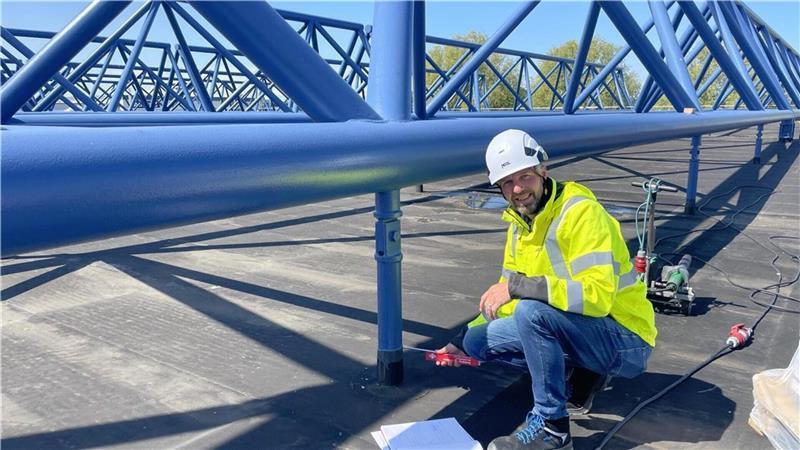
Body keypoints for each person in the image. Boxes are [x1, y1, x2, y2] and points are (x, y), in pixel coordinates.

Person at [435, 129, 657, 450]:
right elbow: (505, 299)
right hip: (582, 331)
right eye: (507, 183)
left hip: (626, 339)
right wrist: (461, 342)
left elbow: (595, 297)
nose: (517, 189)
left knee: (532, 311)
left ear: (543, 171)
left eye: (524, 176)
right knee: (478, 341)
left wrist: (519, 288)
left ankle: (554, 430)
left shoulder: (581, 214)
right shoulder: (520, 225)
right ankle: (574, 372)